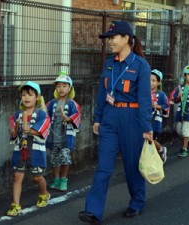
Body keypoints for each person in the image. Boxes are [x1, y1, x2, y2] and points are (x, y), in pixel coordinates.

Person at [78, 20, 152, 225]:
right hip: (110, 118)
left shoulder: (140, 65)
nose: (109, 41)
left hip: (133, 119)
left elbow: (145, 100)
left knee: (132, 165)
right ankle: (93, 210)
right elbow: (103, 93)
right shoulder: (109, 63)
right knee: (103, 166)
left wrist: (147, 128)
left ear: (126, 38)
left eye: (112, 37)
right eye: (108, 38)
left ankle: (137, 201)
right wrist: (98, 118)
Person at [7, 81, 51, 216]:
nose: (26, 97)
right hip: (20, 151)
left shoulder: (41, 114)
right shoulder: (18, 114)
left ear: (37, 97)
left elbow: (43, 129)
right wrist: (13, 131)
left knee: (37, 177)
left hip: (35, 152)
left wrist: (31, 130)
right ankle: (15, 205)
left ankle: (44, 194)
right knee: (17, 176)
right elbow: (13, 131)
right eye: (24, 95)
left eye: (30, 95)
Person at [46, 72, 81, 191]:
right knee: (54, 159)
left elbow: (77, 116)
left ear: (70, 88)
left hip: (66, 136)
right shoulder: (52, 103)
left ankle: (63, 180)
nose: (61, 89)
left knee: (65, 158)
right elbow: (45, 115)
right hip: (53, 135)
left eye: (64, 86)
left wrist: (69, 119)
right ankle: (56, 179)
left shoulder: (72, 103)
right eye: (58, 86)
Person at [150, 69, 169, 162]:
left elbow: (166, 107)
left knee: (151, 140)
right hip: (145, 120)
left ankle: (161, 150)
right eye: (148, 80)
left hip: (155, 121)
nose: (150, 82)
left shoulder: (161, 94)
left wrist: (156, 106)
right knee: (146, 140)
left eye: (153, 81)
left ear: (158, 82)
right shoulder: (144, 93)